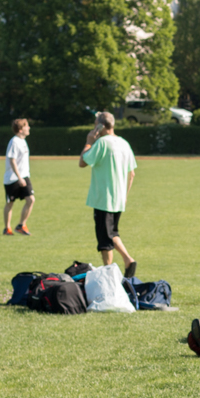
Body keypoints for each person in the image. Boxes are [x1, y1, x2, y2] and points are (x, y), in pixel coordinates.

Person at [79, 112, 138, 277]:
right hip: (119, 198)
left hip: (103, 198)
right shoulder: (124, 143)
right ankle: (125, 261)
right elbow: (132, 174)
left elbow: (82, 162)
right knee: (112, 233)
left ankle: (111, 271)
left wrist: (89, 142)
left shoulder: (102, 143)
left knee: (105, 240)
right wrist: (124, 195)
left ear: (100, 126)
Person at [3, 118, 35, 236]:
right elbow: (12, 160)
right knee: (10, 203)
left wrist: (23, 177)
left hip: (24, 176)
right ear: (21, 129)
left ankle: (21, 225)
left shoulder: (23, 141)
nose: (29, 128)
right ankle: (7, 228)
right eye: (27, 126)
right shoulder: (14, 141)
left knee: (31, 200)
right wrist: (19, 177)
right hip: (12, 178)